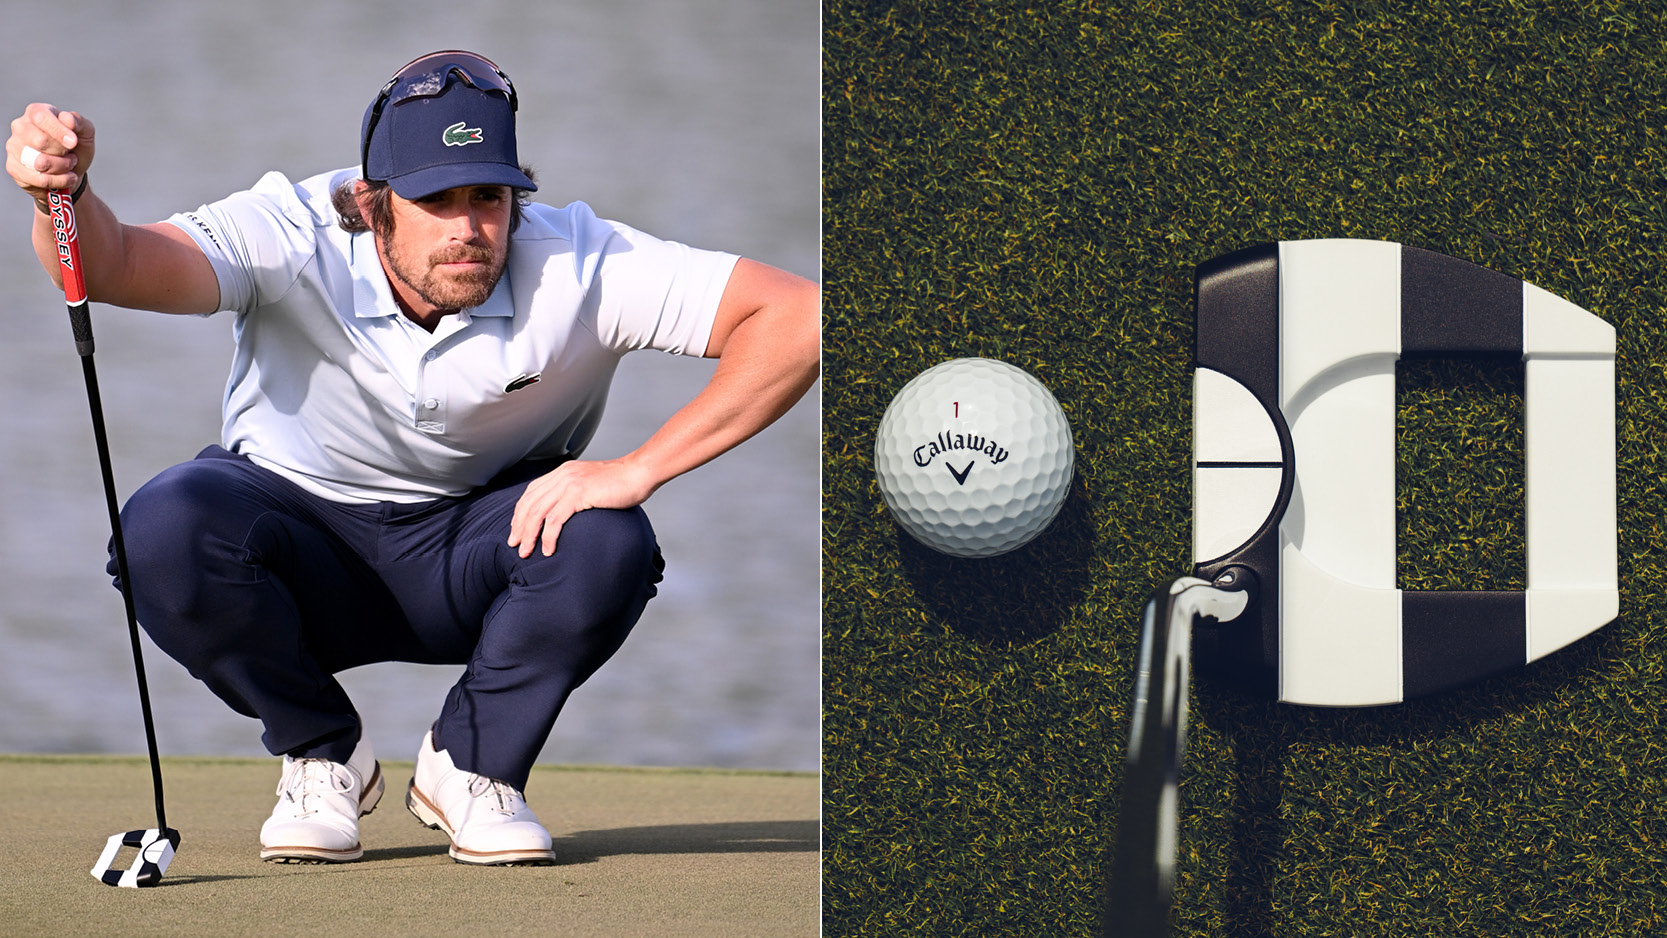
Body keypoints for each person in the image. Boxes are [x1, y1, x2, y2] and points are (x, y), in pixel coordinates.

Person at [4, 50, 819, 866]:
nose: (468, 228)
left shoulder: (579, 258)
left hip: (476, 553)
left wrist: (637, 467)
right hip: (299, 550)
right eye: (435, 199)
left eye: (488, 198)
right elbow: (114, 264)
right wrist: (62, 200)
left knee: (607, 537)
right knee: (165, 528)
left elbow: (799, 318)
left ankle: (472, 767)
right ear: (371, 201)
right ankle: (322, 753)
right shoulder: (289, 230)